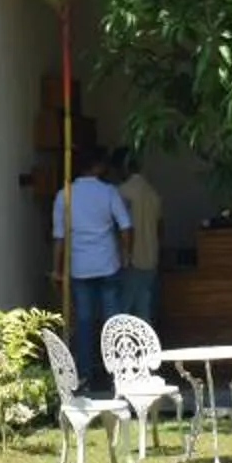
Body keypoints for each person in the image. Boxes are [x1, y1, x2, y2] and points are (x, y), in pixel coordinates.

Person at [52, 149, 132, 387]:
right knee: (113, 321)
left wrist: (56, 269)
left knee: (85, 322)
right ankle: (118, 372)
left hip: (80, 267)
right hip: (108, 264)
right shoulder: (109, 192)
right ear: (98, 167)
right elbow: (126, 226)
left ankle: (85, 374)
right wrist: (126, 254)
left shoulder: (63, 195)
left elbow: (59, 236)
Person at [112, 148, 162, 328]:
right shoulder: (152, 193)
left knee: (123, 313)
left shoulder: (121, 192)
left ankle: (121, 354)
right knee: (144, 313)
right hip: (151, 258)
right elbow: (159, 227)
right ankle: (147, 353)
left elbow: (120, 228)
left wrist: (124, 254)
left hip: (130, 260)